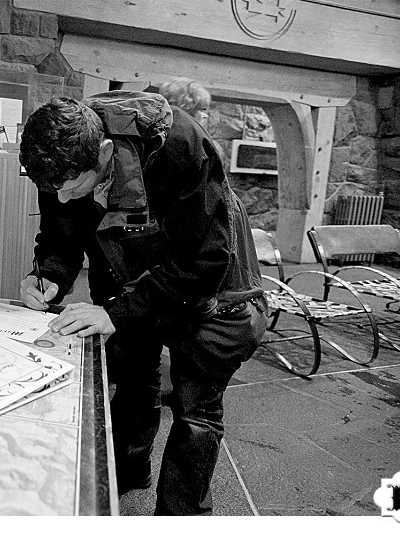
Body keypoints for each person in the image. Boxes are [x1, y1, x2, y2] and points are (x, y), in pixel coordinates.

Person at [18, 91, 267, 515]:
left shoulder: (181, 148)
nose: (60, 197)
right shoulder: (61, 159)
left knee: (195, 409)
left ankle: (179, 516)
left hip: (212, 289)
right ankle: (127, 472)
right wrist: (49, 276)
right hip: (125, 271)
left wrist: (118, 313)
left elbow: (203, 260)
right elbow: (62, 231)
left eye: (72, 186)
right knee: (132, 377)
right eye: (51, 188)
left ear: (104, 152)